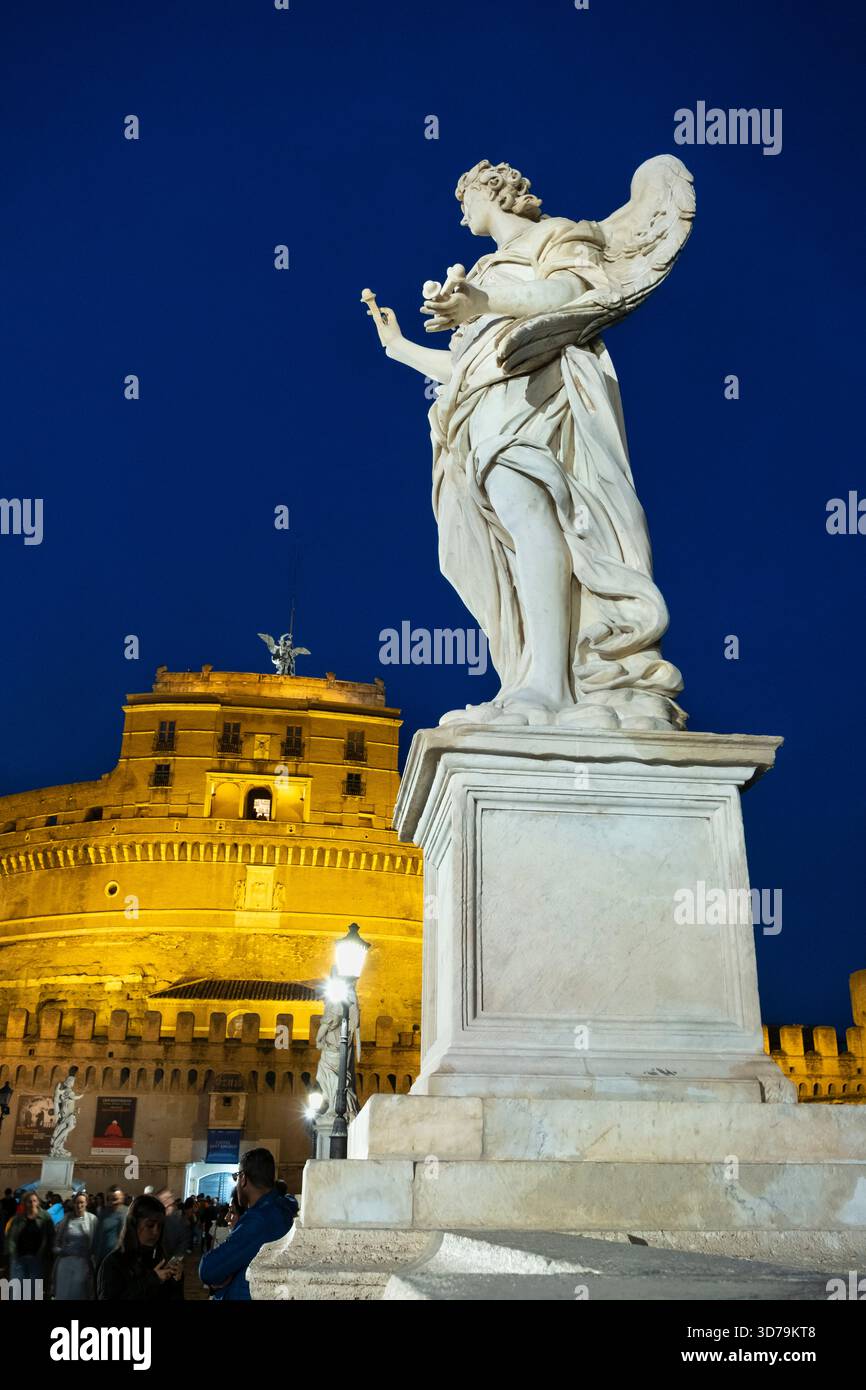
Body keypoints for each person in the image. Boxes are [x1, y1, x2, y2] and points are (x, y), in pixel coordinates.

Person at [198, 1149, 297, 1301]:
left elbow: (208, 1270)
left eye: (236, 1177)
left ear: (243, 1178)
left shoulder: (259, 1219)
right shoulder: (282, 1207)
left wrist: (227, 1274)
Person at [97, 1194, 183, 1301]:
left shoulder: (161, 1260)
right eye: (150, 1225)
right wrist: (152, 1280)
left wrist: (176, 1281)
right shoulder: (113, 1263)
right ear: (134, 1224)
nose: (156, 1232)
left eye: (160, 1226)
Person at [53, 1190, 97, 1300]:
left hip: (83, 1263)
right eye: (77, 1202)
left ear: (86, 1203)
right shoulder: (66, 1219)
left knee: (79, 1293)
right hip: (65, 1262)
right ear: (73, 1204)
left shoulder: (92, 1219)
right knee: (64, 1293)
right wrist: (61, 1251)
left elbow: (96, 1241)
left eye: (82, 1202)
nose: (79, 1205)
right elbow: (57, 1240)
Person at [5, 1191, 53, 1286]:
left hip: (37, 1257)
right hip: (19, 1257)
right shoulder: (18, 1218)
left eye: (34, 1201)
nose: (32, 1204)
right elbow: (11, 1237)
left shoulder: (45, 1217)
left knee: (34, 1289)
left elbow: (50, 1235)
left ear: (38, 1202)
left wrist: (47, 1253)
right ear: (24, 1203)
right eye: (29, 1201)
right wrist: (11, 1252)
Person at [91, 1184, 126, 1269]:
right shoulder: (103, 1213)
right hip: (102, 1258)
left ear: (122, 1198)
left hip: (119, 1260)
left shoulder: (127, 1213)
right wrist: (93, 1253)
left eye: (116, 1199)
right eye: (111, 1199)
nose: (114, 1202)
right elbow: (97, 1235)